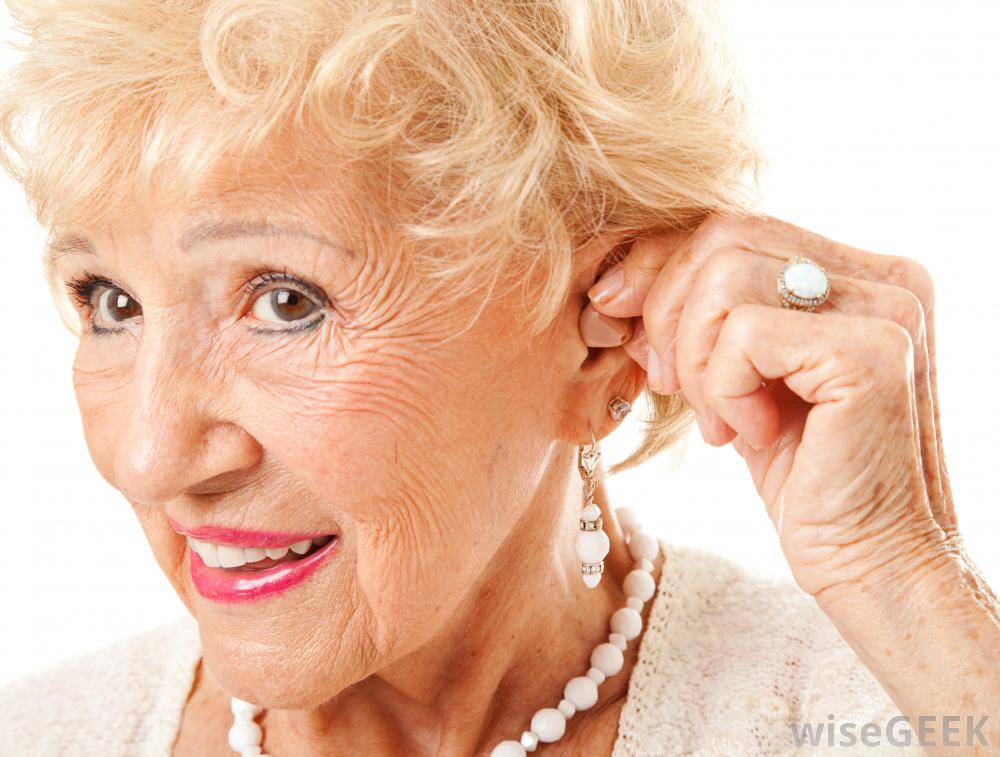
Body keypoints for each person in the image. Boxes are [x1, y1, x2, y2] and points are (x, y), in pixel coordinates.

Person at [0, 1, 996, 755]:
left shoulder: (884, 713)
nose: (148, 457)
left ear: (597, 340)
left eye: (287, 300)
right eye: (109, 301)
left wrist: (899, 572)